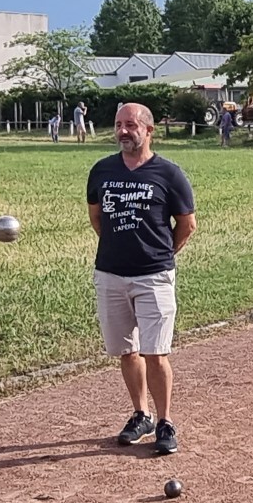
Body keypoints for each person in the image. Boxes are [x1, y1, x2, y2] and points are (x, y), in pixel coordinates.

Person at [89, 102, 197, 454]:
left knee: (156, 352)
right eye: (118, 124)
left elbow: (187, 225)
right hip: (110, 274)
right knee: (127, 351)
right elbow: (97, 220)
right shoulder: (101, 170)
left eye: (131, 125)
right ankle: (141, 415)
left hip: (153, 276)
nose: (123, 131)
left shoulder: (169, 174)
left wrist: (160, 254)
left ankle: (165, 421)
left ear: (149, 130)